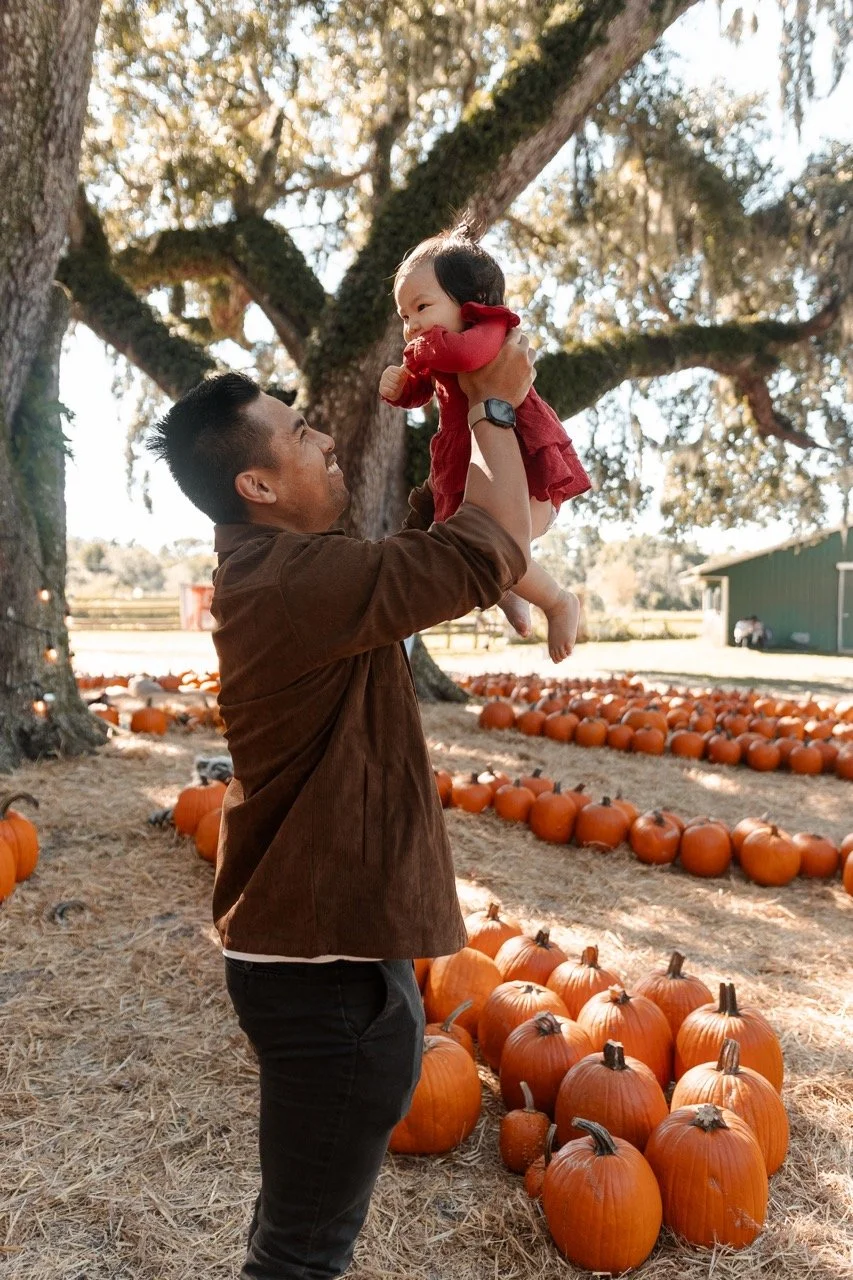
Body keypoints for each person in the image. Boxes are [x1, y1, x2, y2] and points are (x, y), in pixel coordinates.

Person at [146, 331, 561, 1279]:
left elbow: (446, 539)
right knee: (300, 1255)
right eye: (298, 433)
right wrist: (494, 405)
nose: (327, 437)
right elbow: (479, 549)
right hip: (322, 976)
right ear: (256, 485)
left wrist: (461, 413)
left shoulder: (299, 574)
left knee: (300, 1234)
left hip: (334, 960)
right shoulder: (290, 584)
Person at [379, 220, 590, 662]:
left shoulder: (490, 328)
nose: (412, 325)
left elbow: (466, 357)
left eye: (421, 307)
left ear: (469, 302)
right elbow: (427, 388)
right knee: (472, 544)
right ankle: (506, 589)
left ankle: (557, 600)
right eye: (404, 316)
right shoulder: (436, 346)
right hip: (467, 450)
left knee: (501, 541)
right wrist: (403, 388)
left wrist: (421, 351)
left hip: (516, 453)